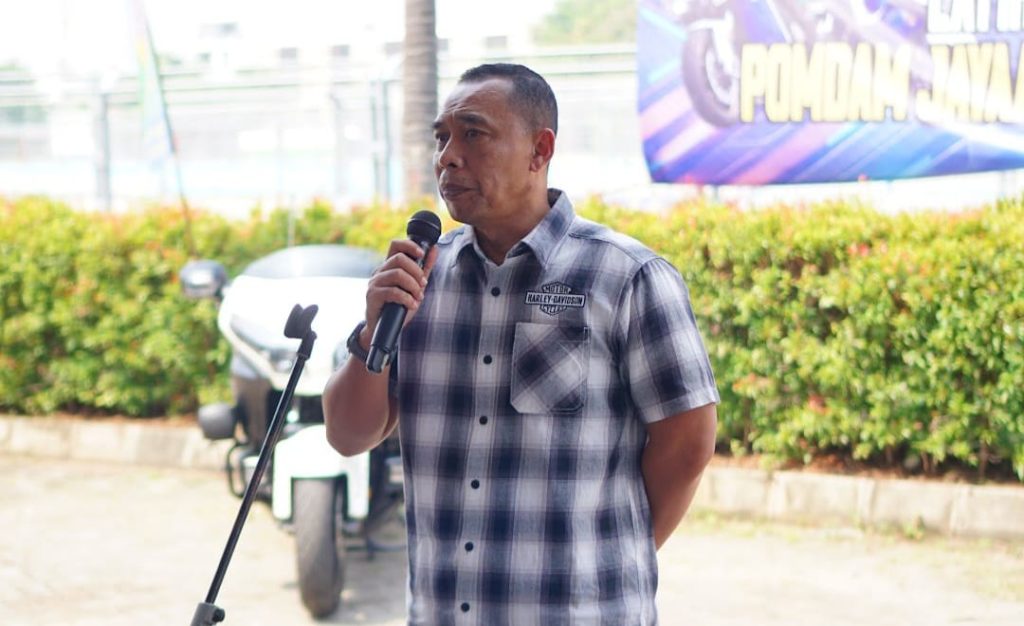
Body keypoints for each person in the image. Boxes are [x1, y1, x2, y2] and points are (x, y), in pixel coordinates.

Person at [323, 63, 719, 625]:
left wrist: (610, 552)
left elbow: (688, 442)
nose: (448, 157)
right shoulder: (416, 281)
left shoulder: (626, 276)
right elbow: (347, 436)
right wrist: (372, 333)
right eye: (442, 138)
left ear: (540, 150)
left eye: (473, 134)